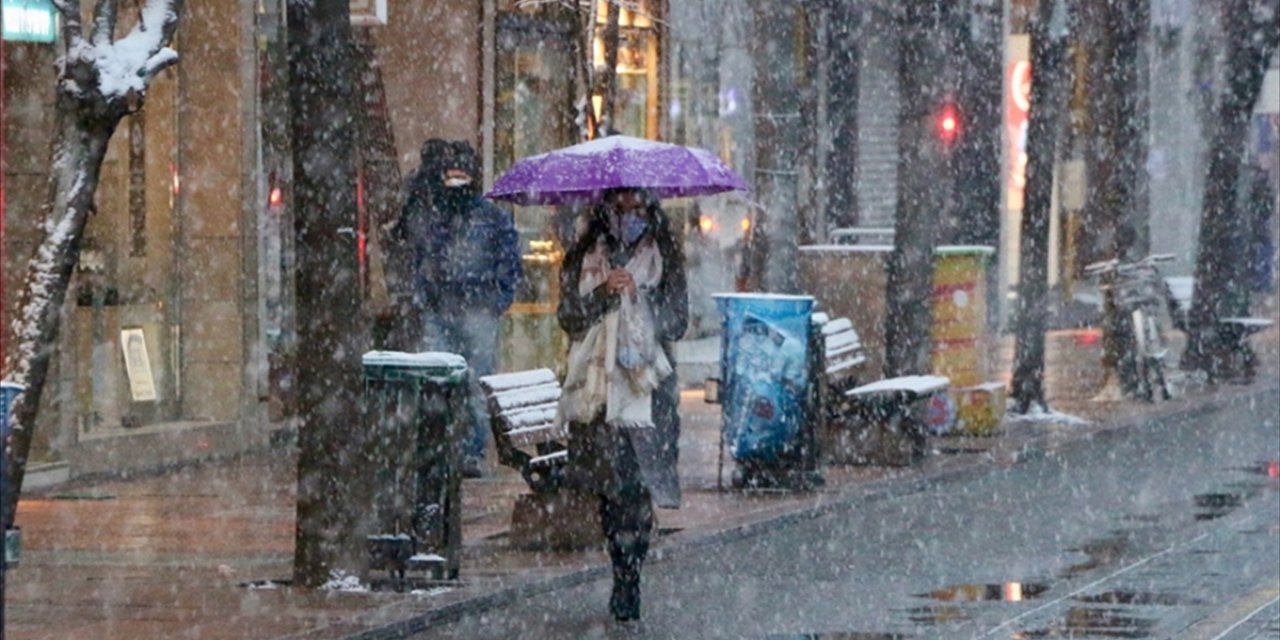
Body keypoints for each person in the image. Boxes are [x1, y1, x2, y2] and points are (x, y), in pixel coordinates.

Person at [557, 188, 688, 622]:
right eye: (620, 209)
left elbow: (678, 320)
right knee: (612, 492)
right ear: (606, 212)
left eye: (637, 208)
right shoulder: (585, 254)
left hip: (647, 387)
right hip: (599, 389)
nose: (628, 217)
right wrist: (603, 293)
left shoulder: (662, 255)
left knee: (637, 487)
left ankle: (630, 576)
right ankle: (621, 564)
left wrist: (640, 299)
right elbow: (569, 316)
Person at [402, 139, 522, 477]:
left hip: (477, 311)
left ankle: (470, 451)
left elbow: (509, 261)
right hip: (442, 309)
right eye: (450, 176)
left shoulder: (490, 218)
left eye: (461, 176)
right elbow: (421, 255)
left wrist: (496, 299)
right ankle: (440, 450)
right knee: (438, 382)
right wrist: (426, 295)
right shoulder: (437, 215)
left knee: (474, 385)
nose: (455, 184)